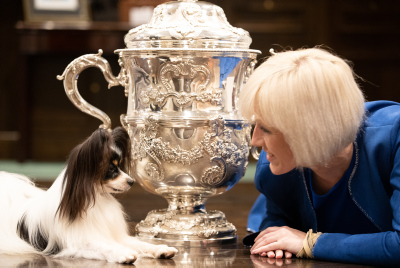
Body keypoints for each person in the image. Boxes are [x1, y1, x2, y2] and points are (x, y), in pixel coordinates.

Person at [238, 47, 400, 266]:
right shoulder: (273, 168)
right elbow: (276, 222)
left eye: (266, 128)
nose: (254, 141)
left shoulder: (394, 136)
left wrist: (310, 243)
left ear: (309, 130)